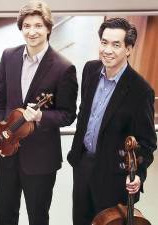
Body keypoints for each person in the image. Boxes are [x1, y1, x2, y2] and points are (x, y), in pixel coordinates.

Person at [0, 1, 78, 225]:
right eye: (26, 25)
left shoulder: (63, 67)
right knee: (5, 216)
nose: (32, 31)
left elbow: (67, 114)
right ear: (21, 28)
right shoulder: (9, 56)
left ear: (48, 28)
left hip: (41, 159)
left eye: (38, 25)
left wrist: (41, 117)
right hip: (7, 154)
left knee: (38, 218)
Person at [67, 17, 157, 225]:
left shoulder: (140, 91)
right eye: (104, 42)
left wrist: (138, 175)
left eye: (116, 45)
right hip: (82, 165)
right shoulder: (90, 70)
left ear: (128, 49)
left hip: (113, 176)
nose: (107, 50)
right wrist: (77, 159)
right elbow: (84, 114)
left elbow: (147, 142)